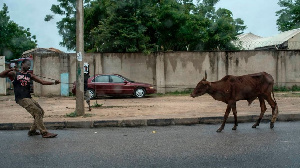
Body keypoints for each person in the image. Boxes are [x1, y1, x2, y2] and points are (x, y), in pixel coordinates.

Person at [0, 59, 60, 138]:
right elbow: (1, 75)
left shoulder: (30, 75)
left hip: (28, 97)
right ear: (22, 64)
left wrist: (54, 82)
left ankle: (32, 131)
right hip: (21, 98)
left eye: (30, 65)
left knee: (41, 112)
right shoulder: (15, 73)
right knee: (37, 112)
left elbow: (42, 82)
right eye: (27, 64)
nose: (29, 66)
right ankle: (44, 133)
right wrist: (11, 69)